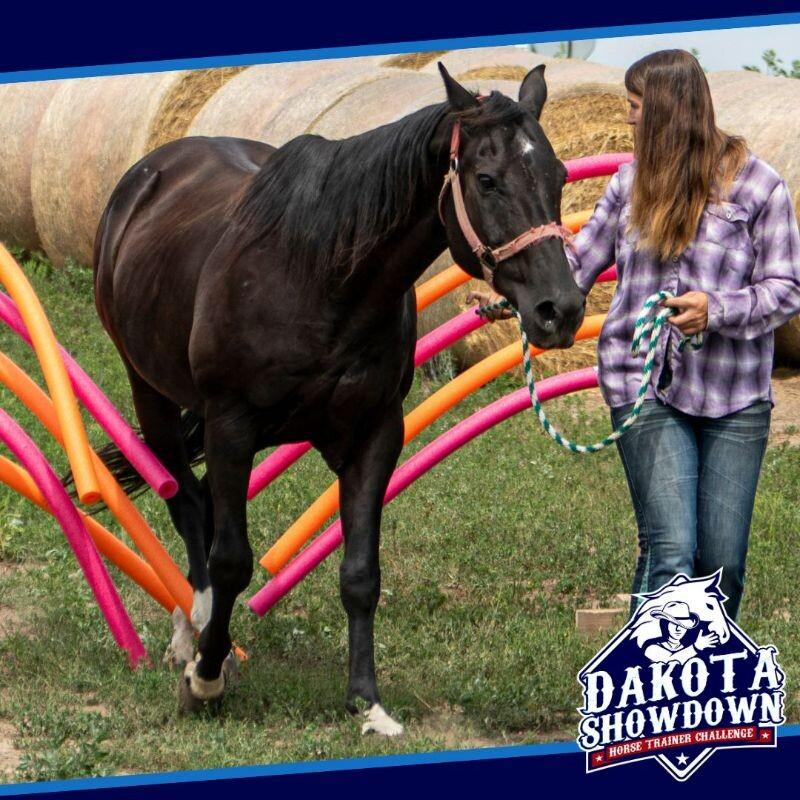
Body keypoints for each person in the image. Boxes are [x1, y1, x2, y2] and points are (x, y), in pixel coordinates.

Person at [471, 49, 800, 620]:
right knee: (672, 550)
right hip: (642, 387)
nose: (626, 119)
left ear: (669, 112)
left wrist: (716, 309)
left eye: (634, 107)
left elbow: (787, 290)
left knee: (723, 563)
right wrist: (512, 300)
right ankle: (652, 690)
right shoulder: (628, 186)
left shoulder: (759, 189)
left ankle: (707, 687)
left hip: (734, 396)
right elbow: (579, 266)